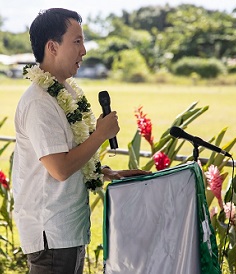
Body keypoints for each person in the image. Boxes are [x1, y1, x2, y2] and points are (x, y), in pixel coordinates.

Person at [12, 8, 150, 274]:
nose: (84, 51)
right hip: (50, 234)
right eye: (76, 42)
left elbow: (67, 157)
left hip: (65, 231)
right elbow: (60, 169)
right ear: (52, 47)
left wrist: (109, 173)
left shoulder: (63, 93)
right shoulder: (40, 102)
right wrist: (100, 135)